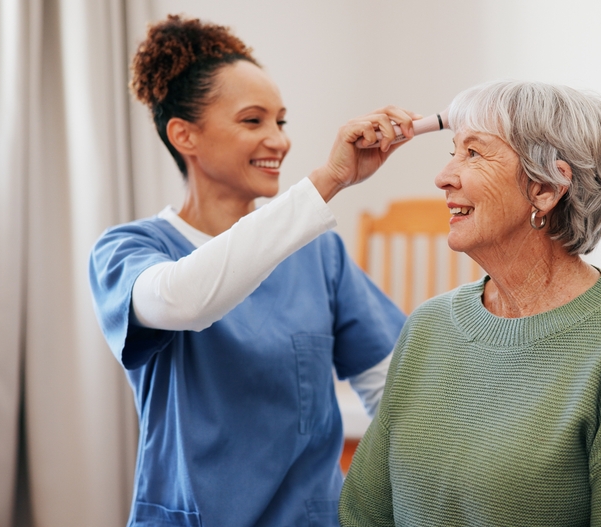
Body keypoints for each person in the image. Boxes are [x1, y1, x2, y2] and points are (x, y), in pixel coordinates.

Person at [88, 15, 414, 527]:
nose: (278, 140)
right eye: (252, 120)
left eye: (281, 122)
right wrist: (327, 181)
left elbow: (390, 387)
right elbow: (185, 300)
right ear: (184, 136)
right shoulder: (128, 250)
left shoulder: (318, 251)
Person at [339, 81, 601, 526]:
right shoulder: (428, 326)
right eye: (453, 151)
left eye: (473, 153)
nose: (443, 176)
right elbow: (361, 514)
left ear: (545, 189)